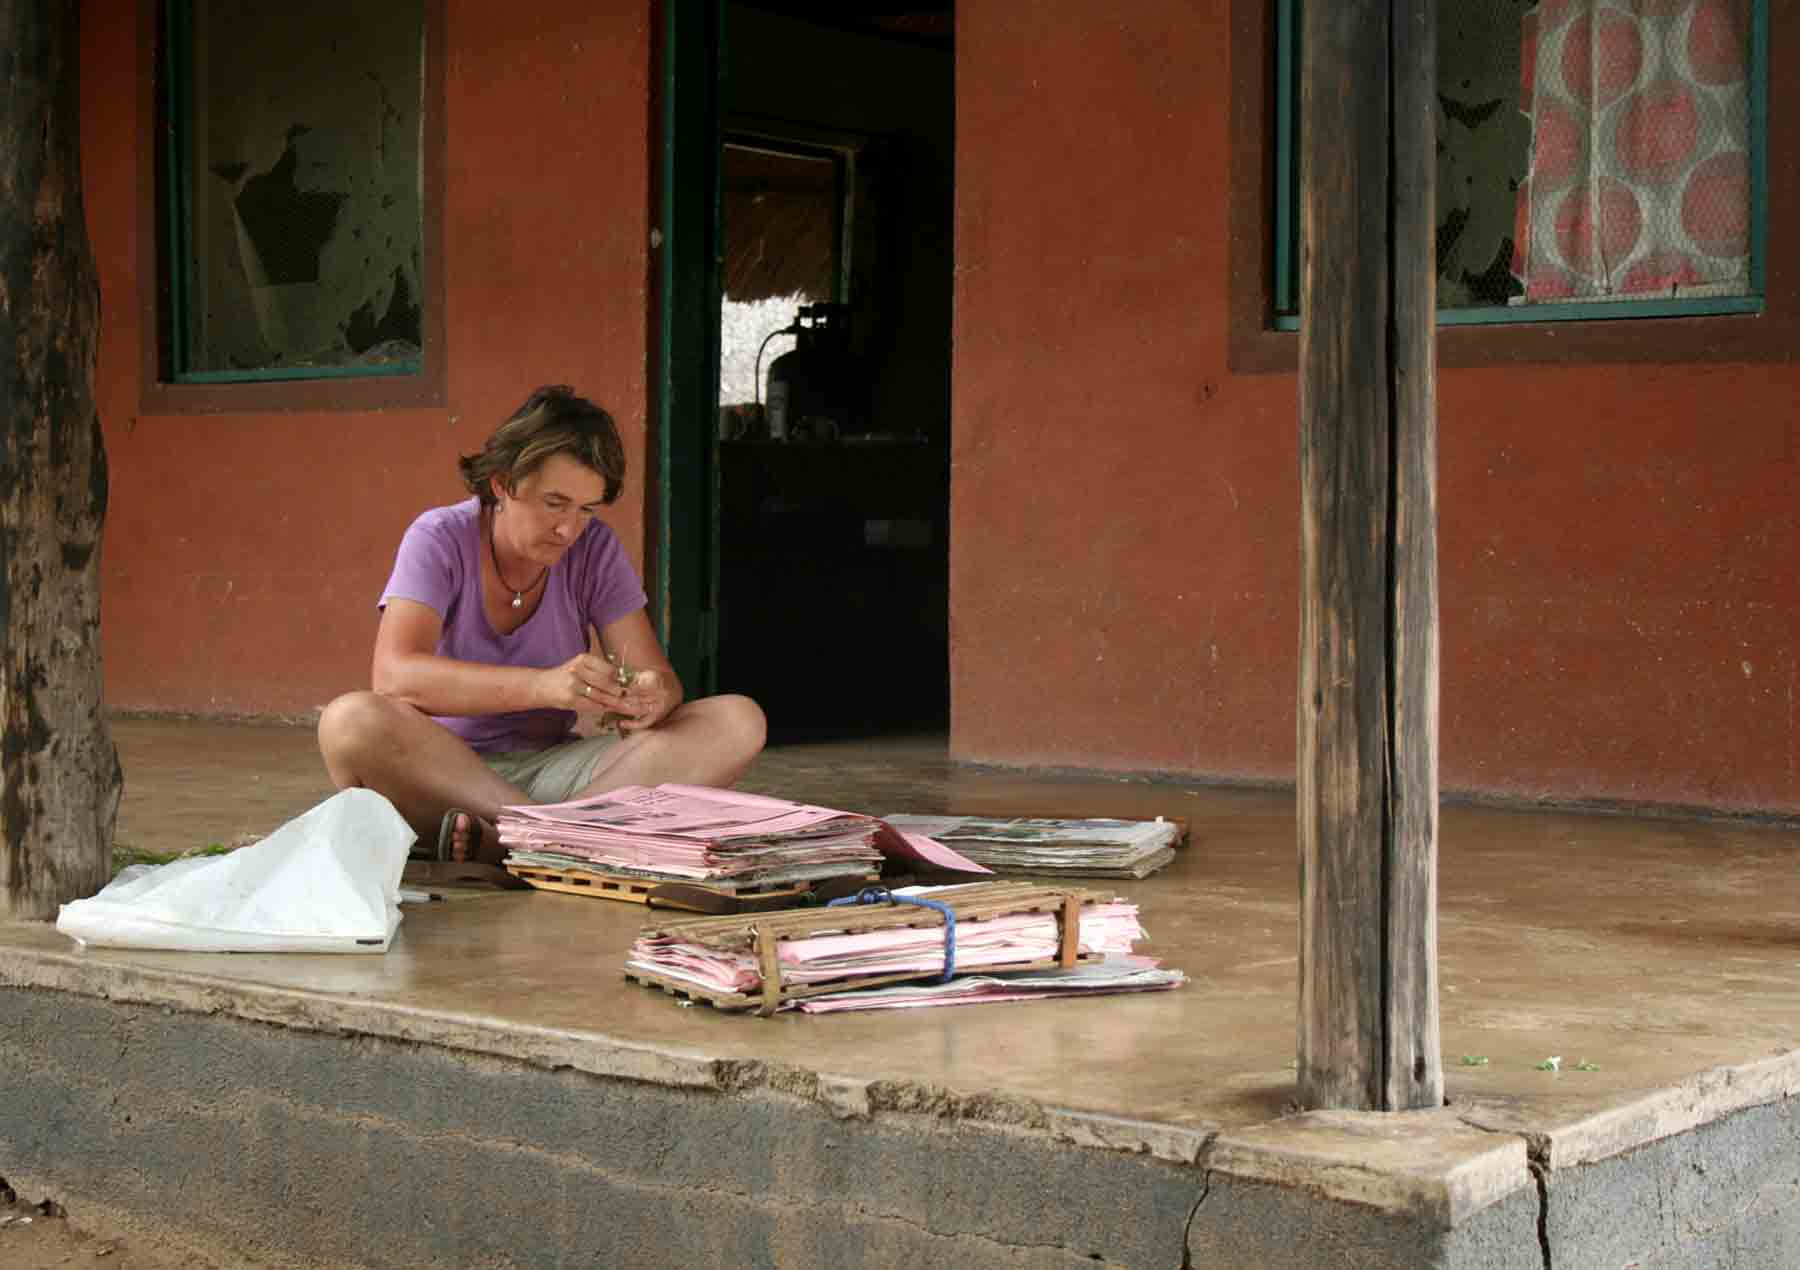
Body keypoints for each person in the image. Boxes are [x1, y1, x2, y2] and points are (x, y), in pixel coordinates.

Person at [317, 385, 766, 863]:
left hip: (558, 773)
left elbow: (661, 679)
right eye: (555, 503)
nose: (569, 530)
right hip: (440, 772)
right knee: (351, 720)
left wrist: (650, 696)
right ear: (502, 483)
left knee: (737, 721)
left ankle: (532, 840)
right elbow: (395, 677)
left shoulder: (594, 549)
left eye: (586, 509)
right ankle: (561, 838)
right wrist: (545, 687)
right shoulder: (439, 538)